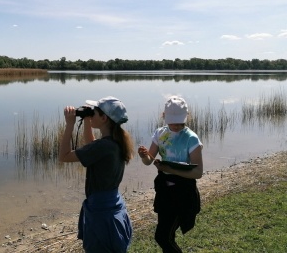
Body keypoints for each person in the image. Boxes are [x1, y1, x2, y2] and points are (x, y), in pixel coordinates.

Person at [59, 96, 134, 252]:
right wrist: (87, 119)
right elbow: (92, 145)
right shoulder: (115, 141)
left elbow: (63, 156)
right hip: (112, 203)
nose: (91, 114)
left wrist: (69, 125)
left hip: (101, 211)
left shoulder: (103, 146)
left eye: (94, 112)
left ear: (104, 118)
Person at [138, 96, 203, 253]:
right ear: (164, 116)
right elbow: (148, 161)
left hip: (183, 192)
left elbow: (198, 172)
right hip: (165, 190)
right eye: (172, 121)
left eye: (179, 122)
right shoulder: (160, 134)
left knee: (162, 237)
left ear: (186, 118)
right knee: (168, 236)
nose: (175, 125)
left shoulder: (191, 138)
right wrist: (144, 155)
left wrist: (170, 169)